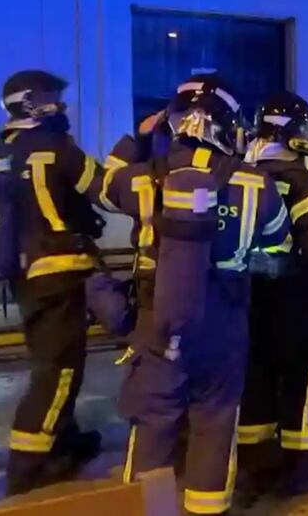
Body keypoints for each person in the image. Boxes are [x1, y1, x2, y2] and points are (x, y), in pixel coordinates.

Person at [99, 75, 289, 515]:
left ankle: (147, 509)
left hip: (158, 320)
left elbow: (104, 186)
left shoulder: (145, 179)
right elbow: (279, 251)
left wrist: (138, 139)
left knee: (154, 424)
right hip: (224, 323)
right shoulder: (257, 184)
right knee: (216, 421)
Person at [0, 70, 106, 494]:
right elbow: (105, 189)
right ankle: (28, 468)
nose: (61, 105)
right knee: (57, 372)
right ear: (30, 102)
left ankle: (64, 438)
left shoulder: (1, 150)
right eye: (52, 97)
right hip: (58, 271)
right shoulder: (56, 146)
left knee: (51, 361)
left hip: (23, 276)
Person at [238, 91, 308, 497]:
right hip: (294, 295)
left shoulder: (241, 176)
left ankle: (257, 467)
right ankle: (303, 469)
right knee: (306, 376)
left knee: (257, 376)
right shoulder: (300, 181)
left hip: (247, 296)